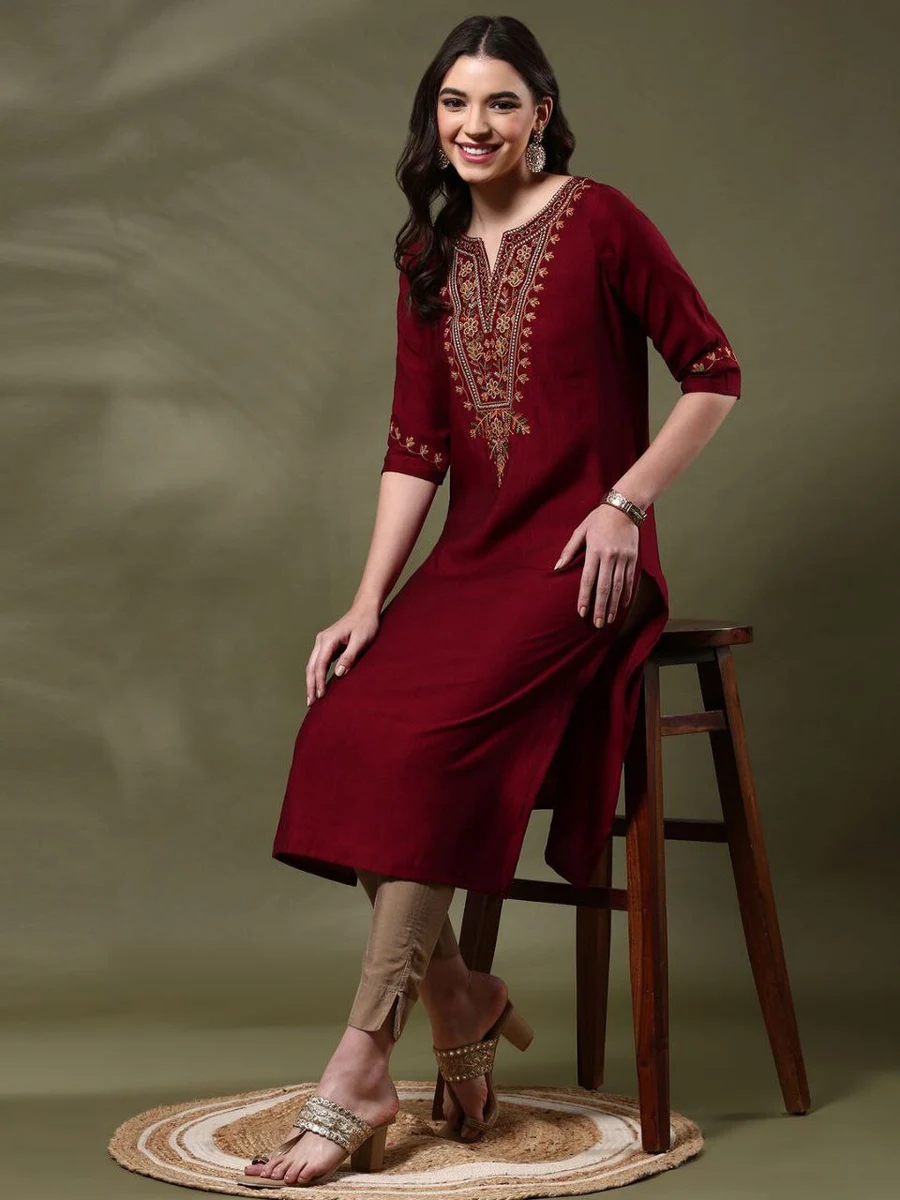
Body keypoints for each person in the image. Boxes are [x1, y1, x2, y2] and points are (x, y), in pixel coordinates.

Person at [240, 13, 741, 1190]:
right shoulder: (427, 255)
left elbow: (714, 375)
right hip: (469, 563)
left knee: (423, 755)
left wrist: (624, 503)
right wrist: (367, 600)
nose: (475, 124)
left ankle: (363, 1062)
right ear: (435, 118)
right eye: (455, 103)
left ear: (541, 115)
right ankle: (462, 996)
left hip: (581, 562)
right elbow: (414, 447)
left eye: (501, 102)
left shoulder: (603, 220)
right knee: (347, 725)